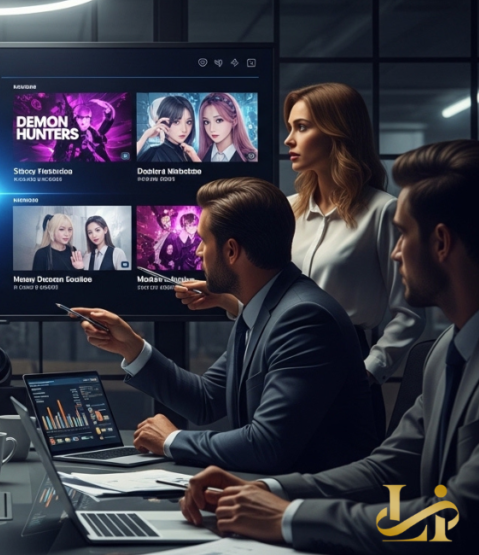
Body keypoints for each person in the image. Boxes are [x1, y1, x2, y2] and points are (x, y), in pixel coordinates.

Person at [178, 140, 479, 552]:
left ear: (441, 243)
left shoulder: (303, 313)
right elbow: (385, 471)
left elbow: (456, 520)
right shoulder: (446, 350)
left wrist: (288, 517)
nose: (393, 252)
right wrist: (268, 489)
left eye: (404, 233)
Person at [73, 177, 379, 474]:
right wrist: (132, 347)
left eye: (205, 241)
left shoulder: (304, 318)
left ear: (231, 251)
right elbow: (206, 400)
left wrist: (172, 440)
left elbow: (267, 444)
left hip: (311, 512)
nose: (198, 252)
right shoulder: (262, 309)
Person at [177, 83, 425, 438]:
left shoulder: (382, 212)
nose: (288, 139)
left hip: (345, 366)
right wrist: (229, 301)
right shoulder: (287, 209)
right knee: (263, 459)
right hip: (276, 356)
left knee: (332, 473)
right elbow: (277, 293)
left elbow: (409, 314)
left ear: (339, 132)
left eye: (302, 127)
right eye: (290, 127)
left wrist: (366, 372)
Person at [135, 96, 199, 162]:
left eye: (188, 122)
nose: (184, 129)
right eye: (176, 122)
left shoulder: (187, 152)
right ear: (163, 122)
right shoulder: (156, 154)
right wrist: (145, 136)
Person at [197, 93, 258, 162]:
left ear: (234, 121)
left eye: (219, 120)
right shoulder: (200, 157)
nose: (211, 129)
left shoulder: (252, 158)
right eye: (206, 122)